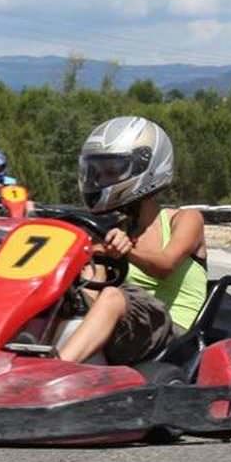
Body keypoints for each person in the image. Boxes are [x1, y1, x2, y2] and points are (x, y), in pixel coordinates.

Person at [56, 116, 208, 367]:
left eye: (112, 171)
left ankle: (53, 369)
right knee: (66, 293)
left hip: (172, 335)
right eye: (97, 172)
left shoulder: (185, 219)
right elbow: (92, 290)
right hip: (127, 331)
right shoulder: (113, 233)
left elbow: (165, 265)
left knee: (114, 297)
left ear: (144, 166)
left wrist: (127, 252)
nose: (102, 180)